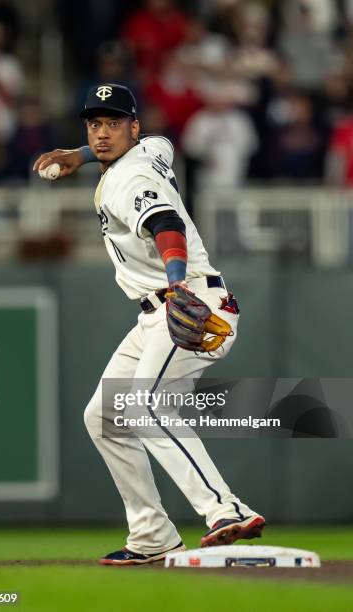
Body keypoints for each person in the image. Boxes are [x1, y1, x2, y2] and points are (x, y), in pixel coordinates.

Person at [33, 83, 265, 565]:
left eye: (113, 124)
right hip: (157, 313)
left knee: (146, 405)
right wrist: (81, 155)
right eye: (94, 125)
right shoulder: (151, 150)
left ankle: (225, 509)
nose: (101, 133)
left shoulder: (132, 178)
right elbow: (162, 142)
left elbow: (166, 225)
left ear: (132, 128)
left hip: (189, 302)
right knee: (103, 417)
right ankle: (153, 535)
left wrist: (177, 281)